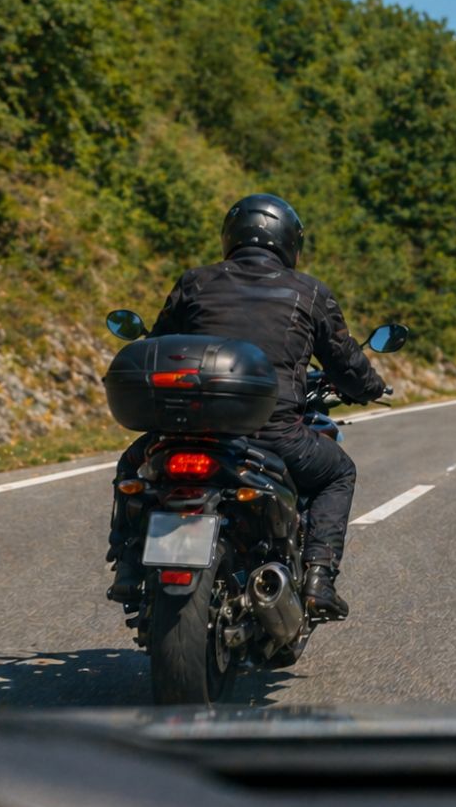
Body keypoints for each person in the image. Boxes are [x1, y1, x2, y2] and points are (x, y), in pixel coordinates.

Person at [106, 194, 387, 619]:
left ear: (231, 237)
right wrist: (372, 387)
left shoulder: (195, 282)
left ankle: (127, 563)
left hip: (189, 429)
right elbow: (346, 363)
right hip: (274, 435)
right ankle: (318, 579)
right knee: (338, 473)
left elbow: (159, 342)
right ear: (290, 242)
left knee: (134, 463)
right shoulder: (308, 292)